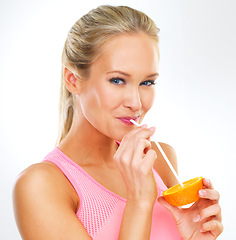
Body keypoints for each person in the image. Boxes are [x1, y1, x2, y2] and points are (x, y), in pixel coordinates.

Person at [13, 5, 223, 240]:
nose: (136, 103)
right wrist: (139, 202)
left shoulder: (159, 160)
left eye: (147, 82)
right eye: (117, 80)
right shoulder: (41, 186)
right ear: (73, 80)